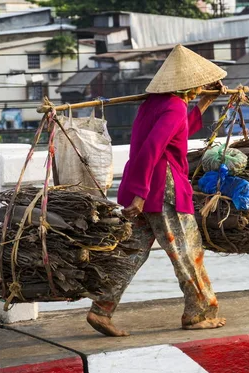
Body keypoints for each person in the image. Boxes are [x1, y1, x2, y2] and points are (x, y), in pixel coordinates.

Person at [86, 45, 227, 337]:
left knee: (132, 253)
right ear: (187, 83)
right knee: (187, 251)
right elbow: (154, 148)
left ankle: (102, 309)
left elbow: (177, 132)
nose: (201, 86)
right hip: (163, 190)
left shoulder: (155, 104)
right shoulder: (174, 106)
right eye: (198, 83)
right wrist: (140, 193)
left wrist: (203, 102)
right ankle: (198, 313)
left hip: (147, 187)